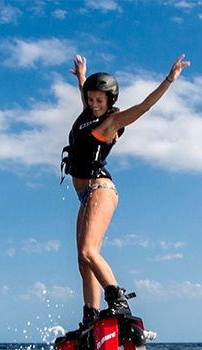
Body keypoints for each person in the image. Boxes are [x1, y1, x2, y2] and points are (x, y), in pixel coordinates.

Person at [61, 54, 190, 331]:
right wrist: (82, 76)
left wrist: (169, 79)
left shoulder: (110, 122)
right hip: (85, 196)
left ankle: (118, 302)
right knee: (83, 262)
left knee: (88, 251)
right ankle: (90, 318)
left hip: (100, 189)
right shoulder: (87, 114)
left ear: (109, 102)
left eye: (99, 101)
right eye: (91, 99)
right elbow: (87, 93)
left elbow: (144, 106)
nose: (94, 104)